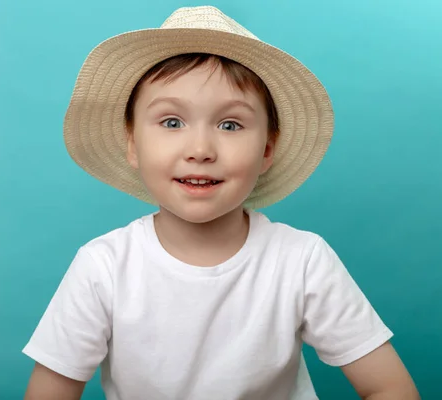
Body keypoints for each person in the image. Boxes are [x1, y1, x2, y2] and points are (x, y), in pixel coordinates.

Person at [22, 5, 419, 400]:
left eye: (230, 125)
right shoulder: (104, 267)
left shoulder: (302, 260)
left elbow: (390, 388)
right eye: (172, 122)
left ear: (266, 149)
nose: (200, 149)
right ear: (132, 145)